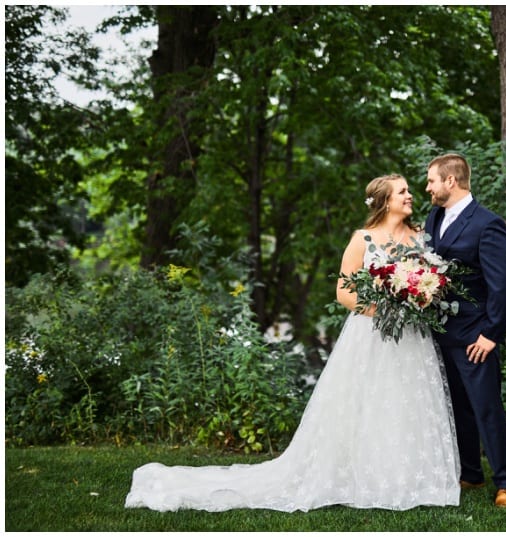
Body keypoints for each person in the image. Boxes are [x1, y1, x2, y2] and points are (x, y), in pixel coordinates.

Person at [125, 174, 460, 512]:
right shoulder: (363, 239)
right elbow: (344, 291)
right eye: (403, 191)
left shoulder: (420, 237)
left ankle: (409, 478)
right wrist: (384, 309)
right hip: (372, 333)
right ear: (386, 200)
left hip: (413, 337)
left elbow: (429, 279)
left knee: (405, 402)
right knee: (369, 402)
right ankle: (363, 476)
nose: (410, 195)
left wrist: (420, 297)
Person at [423, 153, 506, 508]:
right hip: (439, 332)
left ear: (451, 181)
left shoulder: (487, 223)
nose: (427, 187)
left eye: (432, 180)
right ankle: (471, 474)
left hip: (475, 335)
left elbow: (503, 286)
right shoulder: (433, 217)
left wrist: (491, 334)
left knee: (486, 407)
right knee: (458, 408)